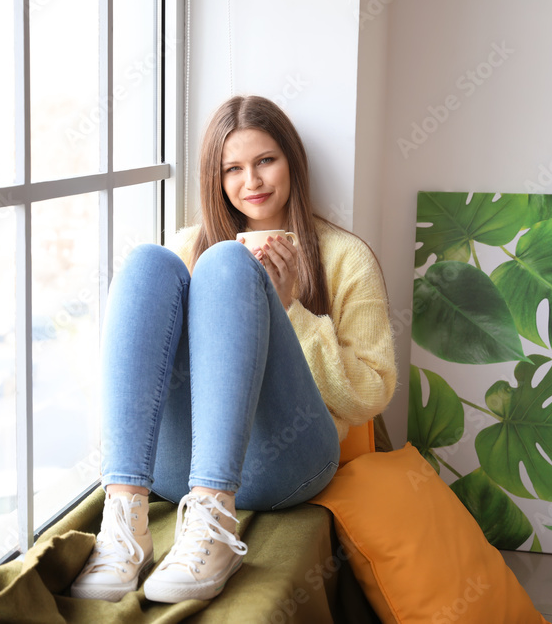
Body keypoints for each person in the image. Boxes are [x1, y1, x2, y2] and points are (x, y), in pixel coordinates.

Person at [70, 95, 397, 604]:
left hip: (288, 462)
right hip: (181, 468)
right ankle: (124, 518)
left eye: (266, 160)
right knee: (145, 264)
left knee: (225, 264)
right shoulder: (186, 247)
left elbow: (370, 394)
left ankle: (215, 515)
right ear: (216, 179)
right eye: (234, 168)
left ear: (293, 161)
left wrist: (289, 312)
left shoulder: (345, 257)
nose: (253, 182)